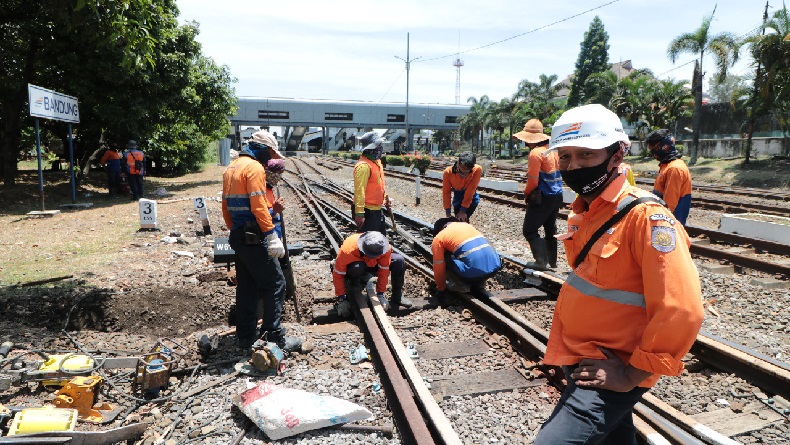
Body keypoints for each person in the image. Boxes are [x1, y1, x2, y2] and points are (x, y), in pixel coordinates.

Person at [534, 104, 704, 445]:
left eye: (585, 154)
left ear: (617, 154)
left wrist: (630, 375)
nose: (574, 166)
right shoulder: (589, 208)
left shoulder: (647, 218)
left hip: (611, 366)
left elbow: (683, 310)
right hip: (586, 356)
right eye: (565, 156)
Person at [222, 129, 301, 352]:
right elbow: (258, 205)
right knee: (276, 283)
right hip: (255, 235)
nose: (271, 159)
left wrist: (237, 231)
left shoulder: (231, 168)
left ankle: (246, 336)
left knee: (247, 287)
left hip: (239, 235)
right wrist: (269, 235)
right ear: (263, 149)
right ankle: (273, 338)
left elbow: (225, 207)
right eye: (270, 153)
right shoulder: (255, 168)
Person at [512, 118, 564, 270]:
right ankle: (553, 262)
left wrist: (527, 194)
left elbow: (533, 180)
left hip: (543, 197)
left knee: (529, 230)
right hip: (557, 196)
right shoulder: (553, 150)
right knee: (550, 229)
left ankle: (541, 261)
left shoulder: (535, 154)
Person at [332, 231, 410, 316]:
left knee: (398, 260)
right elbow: (338, 274)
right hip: (357, 265)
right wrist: (341, 298)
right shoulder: (348, 250)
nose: (373, 257)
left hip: (373, 266)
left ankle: (397, 296)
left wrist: (380, 294)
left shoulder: (384, 249)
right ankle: (355, 283)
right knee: (357, 267)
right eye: (371, 255)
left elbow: (383, 271)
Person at [431, 217, 502, 304]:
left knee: (445, 256)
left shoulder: (439, 237)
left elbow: (438, 266)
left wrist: (441, 289)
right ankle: (480, 282)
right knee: (470, 253)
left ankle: (460, 284)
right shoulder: (467, 226)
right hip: (494, 268)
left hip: (470, 272)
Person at [646, 129, 692, 226]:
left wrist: (660, 225)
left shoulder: (674, 169)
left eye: (652, 147)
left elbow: (669, 204)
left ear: (664, 146)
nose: (651, 151)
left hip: (669, 224)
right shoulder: (666, 166)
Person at [353, 131, 390, 234]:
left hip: (377, 210)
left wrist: (385, 197)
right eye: (377, 146)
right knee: (369, 244)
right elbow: (359, 191)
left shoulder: (377, 163)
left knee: (379, 240)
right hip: (367, 211)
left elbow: (377, 185)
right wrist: (359, 213)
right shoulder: (363, 166)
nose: (380, 148)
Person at [442, 152, 482, 222]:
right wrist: (448, 211)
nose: (465, 172)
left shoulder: (477, 170)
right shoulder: (448, 172)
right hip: (458, 197)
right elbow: (446, 192)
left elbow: (471, 190)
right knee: (458, 219)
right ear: (458, 163)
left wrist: (463, 210)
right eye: (463, 168)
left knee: (462, 219)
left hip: (471, 198)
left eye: (468, 169)